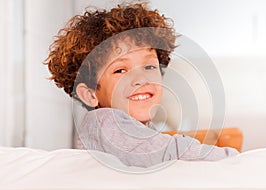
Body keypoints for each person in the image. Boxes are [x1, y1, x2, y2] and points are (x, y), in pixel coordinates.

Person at [45, 1, 238, 168]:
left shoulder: (140, 132)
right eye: (120, 70)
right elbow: (170, 153)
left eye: (148, 66)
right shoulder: (103, 122)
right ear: (90, 94)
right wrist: (235, 161)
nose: (141, 79)